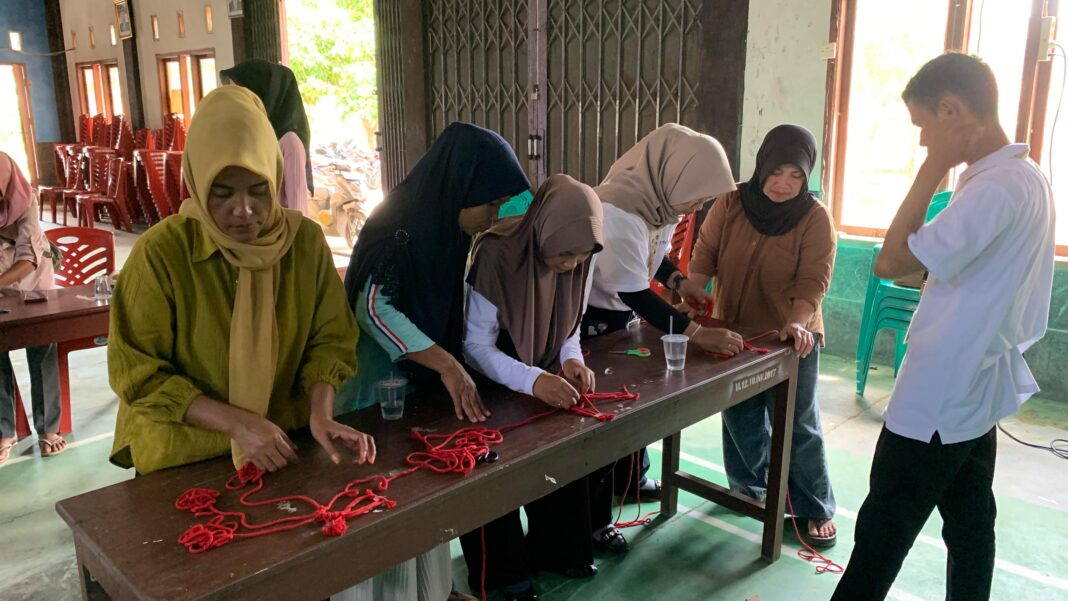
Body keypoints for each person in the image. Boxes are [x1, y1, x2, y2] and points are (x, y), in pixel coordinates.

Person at [832, 53, 1055, 600]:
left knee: (881, 534)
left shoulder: (995, 187)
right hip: (973, 388)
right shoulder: (1025, 177)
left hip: (940, 392)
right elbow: (948, 270)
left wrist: (933, 169)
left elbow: (890, 262)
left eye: (924, 126)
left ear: (951, 110)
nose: (923, 141)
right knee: (971, 522)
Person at [107, 85, 372, 476]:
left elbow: (331, 340)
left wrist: (321, 414)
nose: (244, 210)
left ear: (275, 178)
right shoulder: (161, 253)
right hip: (185, 454)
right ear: (197, 182)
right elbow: (137, 373)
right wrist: (237, 424)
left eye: (259, 190)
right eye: (222, 193)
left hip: (282, 443)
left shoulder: (303, 244)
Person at [337, 121, 529, 601]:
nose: (493, 215)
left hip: (418, 385)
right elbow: (372, 309)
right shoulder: (396, 227)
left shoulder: (449, 226)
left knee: (424, 493)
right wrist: (446, 364)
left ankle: (432, 592)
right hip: (376, 388)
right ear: (460, 185)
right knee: (380, 501)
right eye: (489, 204)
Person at [582, 123, 740, 552]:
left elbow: (653, 257)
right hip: (592, 324)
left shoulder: (661, 205)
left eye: (704, 199)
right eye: (696, 196)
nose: (697, 206)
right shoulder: (617, 212)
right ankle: (595, 523)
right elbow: (634, 291)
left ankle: (630, 478)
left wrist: (679, 282)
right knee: (605, 419)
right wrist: (697, 335)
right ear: (672, 175)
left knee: (633, 401)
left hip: (621, 317)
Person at [686, 124, 838, 547]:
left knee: (797, 421)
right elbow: (705, 252)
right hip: (733, 329)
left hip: (790, 337)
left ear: (806, 176)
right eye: (776, 172)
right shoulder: (732, 200)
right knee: (739, 412)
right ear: (762, 166)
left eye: (795, 175)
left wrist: (798, 321)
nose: (783, 183)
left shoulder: (814, 217)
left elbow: (813, 279)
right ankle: (750, 487)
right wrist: (693, 291)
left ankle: (813, 505)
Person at [459, 174, 603, 601]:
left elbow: (570, 323)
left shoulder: (583, 256)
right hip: (492, 376)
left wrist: (571, 359)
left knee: (562, 451)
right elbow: (474, 347)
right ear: (544, 230)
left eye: (582, 255)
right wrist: (533, 379)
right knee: (495, 469)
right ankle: (504, 571)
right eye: (565, 254)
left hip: (543, 374)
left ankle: (557, 551)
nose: (573, 265)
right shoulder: (496, 254)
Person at [0, 151, 65, 462]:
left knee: (42, 347)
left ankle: (48, 428)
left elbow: (28, 260)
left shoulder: (25, 202)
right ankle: (5, 430)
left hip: (34, 280)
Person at [221, 59, 313, 215]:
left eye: (243, 94)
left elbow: (298, 212)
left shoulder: (289, 143)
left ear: (263, 94)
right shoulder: (254, 136)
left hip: (275, 229)